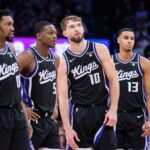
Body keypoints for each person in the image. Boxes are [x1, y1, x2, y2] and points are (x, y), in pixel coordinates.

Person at [57, 15, 119, 150]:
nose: (77, 29)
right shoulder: (63, 60)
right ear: (65, 33)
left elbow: (114, 79)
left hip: (102, 110)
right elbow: (62, 97)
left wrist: (113, 109)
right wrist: (67, 128)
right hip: (79, 114)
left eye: (79, 25)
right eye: (72, 27)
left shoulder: (99, 49)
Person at [17, 21, 60, 150]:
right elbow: (7, 80)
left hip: (50, 121)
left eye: (56, 33)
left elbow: (55, 84)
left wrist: (56, 105)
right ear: (39, 36)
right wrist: (23, 107)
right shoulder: (27, 56)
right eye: (50, 33)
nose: (54, 36)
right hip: (31, 120)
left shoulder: (55, 58)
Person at [112, 27, 150, 149]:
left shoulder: (143, 62)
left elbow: (149, 94)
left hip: (137, 116)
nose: (130, 41)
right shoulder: (110, 61)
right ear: (118, 40)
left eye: (132, 38)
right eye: (126, 38)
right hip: (116, 115)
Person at [0, 9, 31, 150]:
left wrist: (25, 119)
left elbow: (16, 87)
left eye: (13, 24)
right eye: (8, 24)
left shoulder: (11, 48)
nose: (12, 28)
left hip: (17, 113)